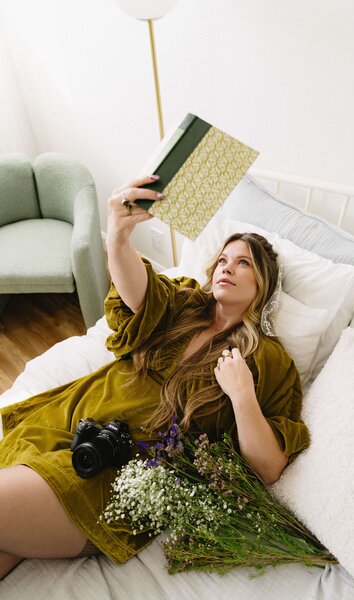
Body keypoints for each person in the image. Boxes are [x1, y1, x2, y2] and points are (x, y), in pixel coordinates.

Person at [0, 175, 310, 579]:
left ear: (262, 283)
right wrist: (118, 237)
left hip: (117, 474)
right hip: (67, 422)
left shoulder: (268, 359)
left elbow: (268, 467)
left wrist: (242, 396)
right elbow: (137, 291)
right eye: (222, 260)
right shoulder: (185, 302)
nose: (226, 268)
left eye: (243, 262)